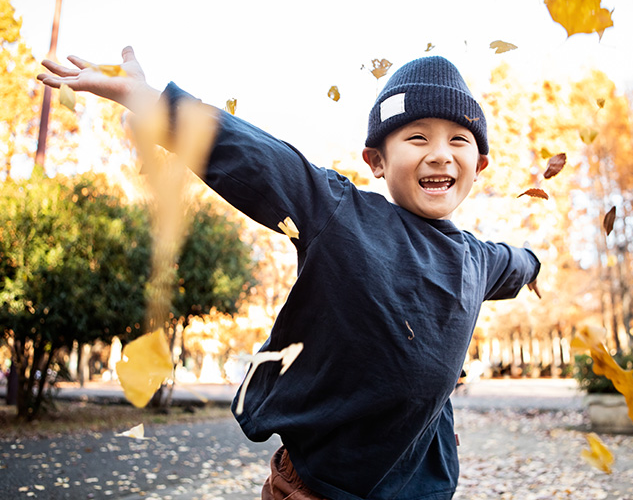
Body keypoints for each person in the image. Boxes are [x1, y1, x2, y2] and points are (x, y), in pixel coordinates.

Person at [38, 47, 541, 500]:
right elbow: (263, 160)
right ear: (377, 161)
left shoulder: (478, 259)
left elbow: (515, 262)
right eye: (416, 137)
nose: (439, 152)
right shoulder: (342, 215)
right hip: (317, 487)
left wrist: (535, 266)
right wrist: (154, 103)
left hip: (415, 483)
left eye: (458, 139)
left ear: (479, 165)